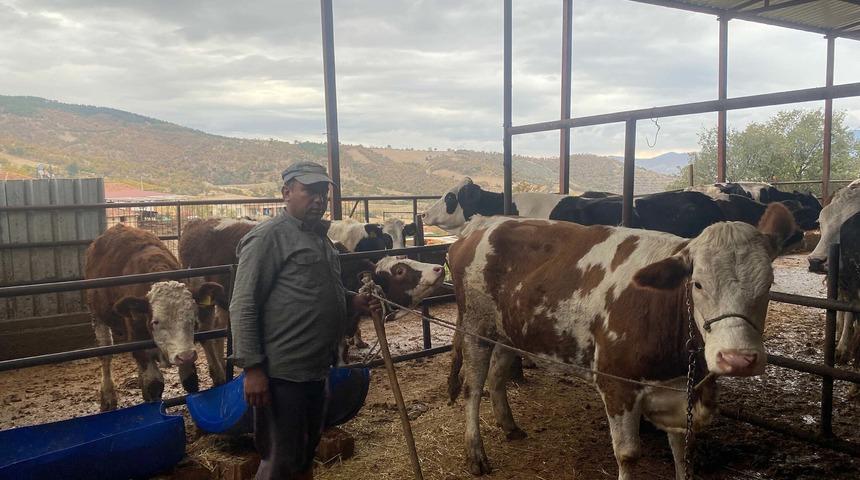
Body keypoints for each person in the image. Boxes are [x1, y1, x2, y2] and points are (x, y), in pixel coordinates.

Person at [229, 161, 380, 480]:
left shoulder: (319, 237)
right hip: (283, 372)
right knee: (279, 460)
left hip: (316, 367)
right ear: (286, 193)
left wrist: (353, 300)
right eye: (309, 191)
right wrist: (252, 368)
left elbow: (321, 288)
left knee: (304, 454)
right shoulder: (268, 237)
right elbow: (243, 304)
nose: (318, 200)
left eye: (322, 193)